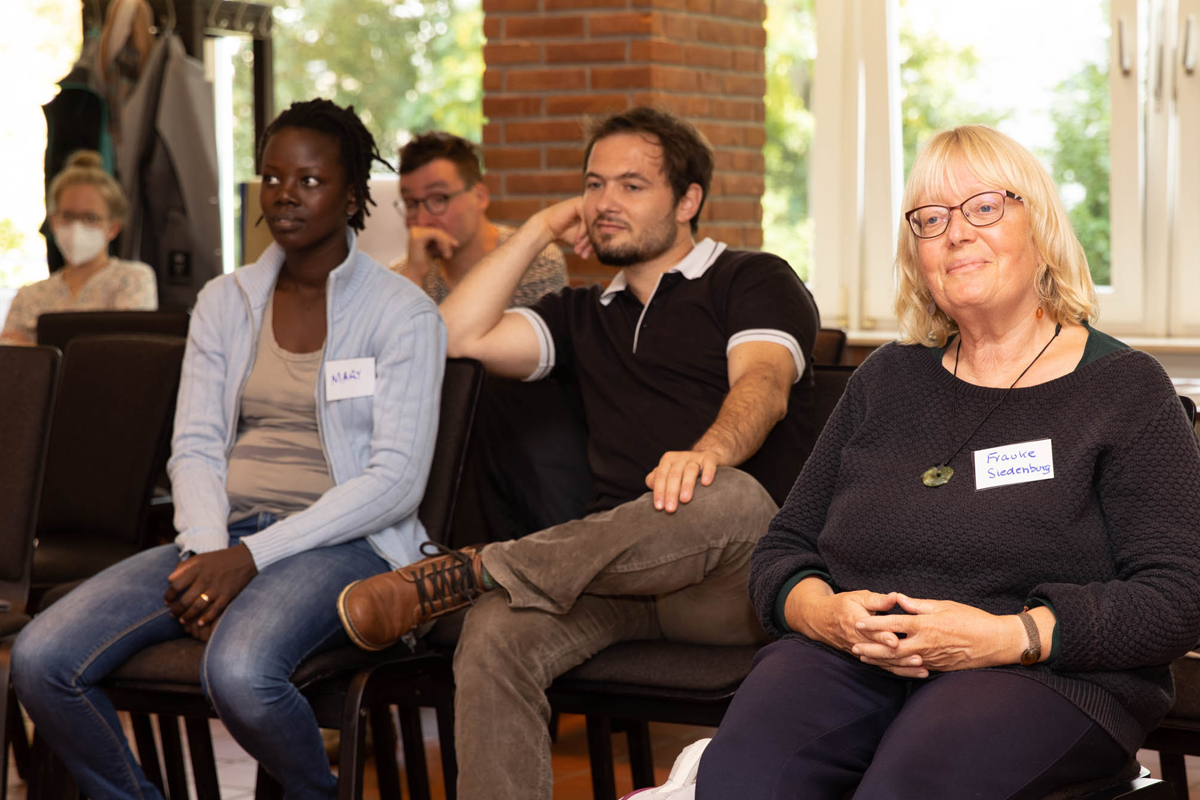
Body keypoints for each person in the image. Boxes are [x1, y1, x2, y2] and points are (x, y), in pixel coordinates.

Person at [694, 125, 1200, 800]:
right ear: (917, 255)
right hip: (853, 659)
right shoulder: (886, 380)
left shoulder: (1124, 388)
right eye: (930, 220)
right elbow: (785, 549)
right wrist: (827, 616)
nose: (955, 233)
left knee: (906, 786)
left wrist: (1004, 636)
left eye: (984, 207)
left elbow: (1178, 594)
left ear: (1041, 228)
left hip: (1044, 674)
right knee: (742, 779)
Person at [337, 106, 822, 800]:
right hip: (612, 579)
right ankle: (483, 584)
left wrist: (705, 452)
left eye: (631, 186)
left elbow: (765, 385)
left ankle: (477, 568)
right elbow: (453, 337)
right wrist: (537, 228)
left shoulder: (751, 278)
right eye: (593, 186)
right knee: (496, 632)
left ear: (688, 201)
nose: (603, 203)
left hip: (739, 579)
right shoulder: (581, 313)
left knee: (728, 491)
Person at [12, 99, 445, 800]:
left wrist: (248, 560)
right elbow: (196, 445)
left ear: (354, 193)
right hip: (227, 531)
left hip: (350, 544)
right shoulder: (225, 300)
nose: (285, 196)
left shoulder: (402, 314)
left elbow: (394, 482)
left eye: (308, 181)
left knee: (240, 672)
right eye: (272, 179)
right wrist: (208, 548)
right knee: (41, 660)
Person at [390, 130, 566, 306]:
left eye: (438, 199)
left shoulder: (535, 260)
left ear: (480, 197)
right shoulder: (401, 276)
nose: (421, 221)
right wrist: (413, 278)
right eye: (411, 203)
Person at [1, 150, 156, 345]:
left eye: (90, 218)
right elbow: (12, 360)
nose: (77, 226)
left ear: (113, 227)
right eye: (67, 216)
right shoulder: (29, 296)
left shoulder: (132, 280)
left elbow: (127, 350)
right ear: (54, 221)